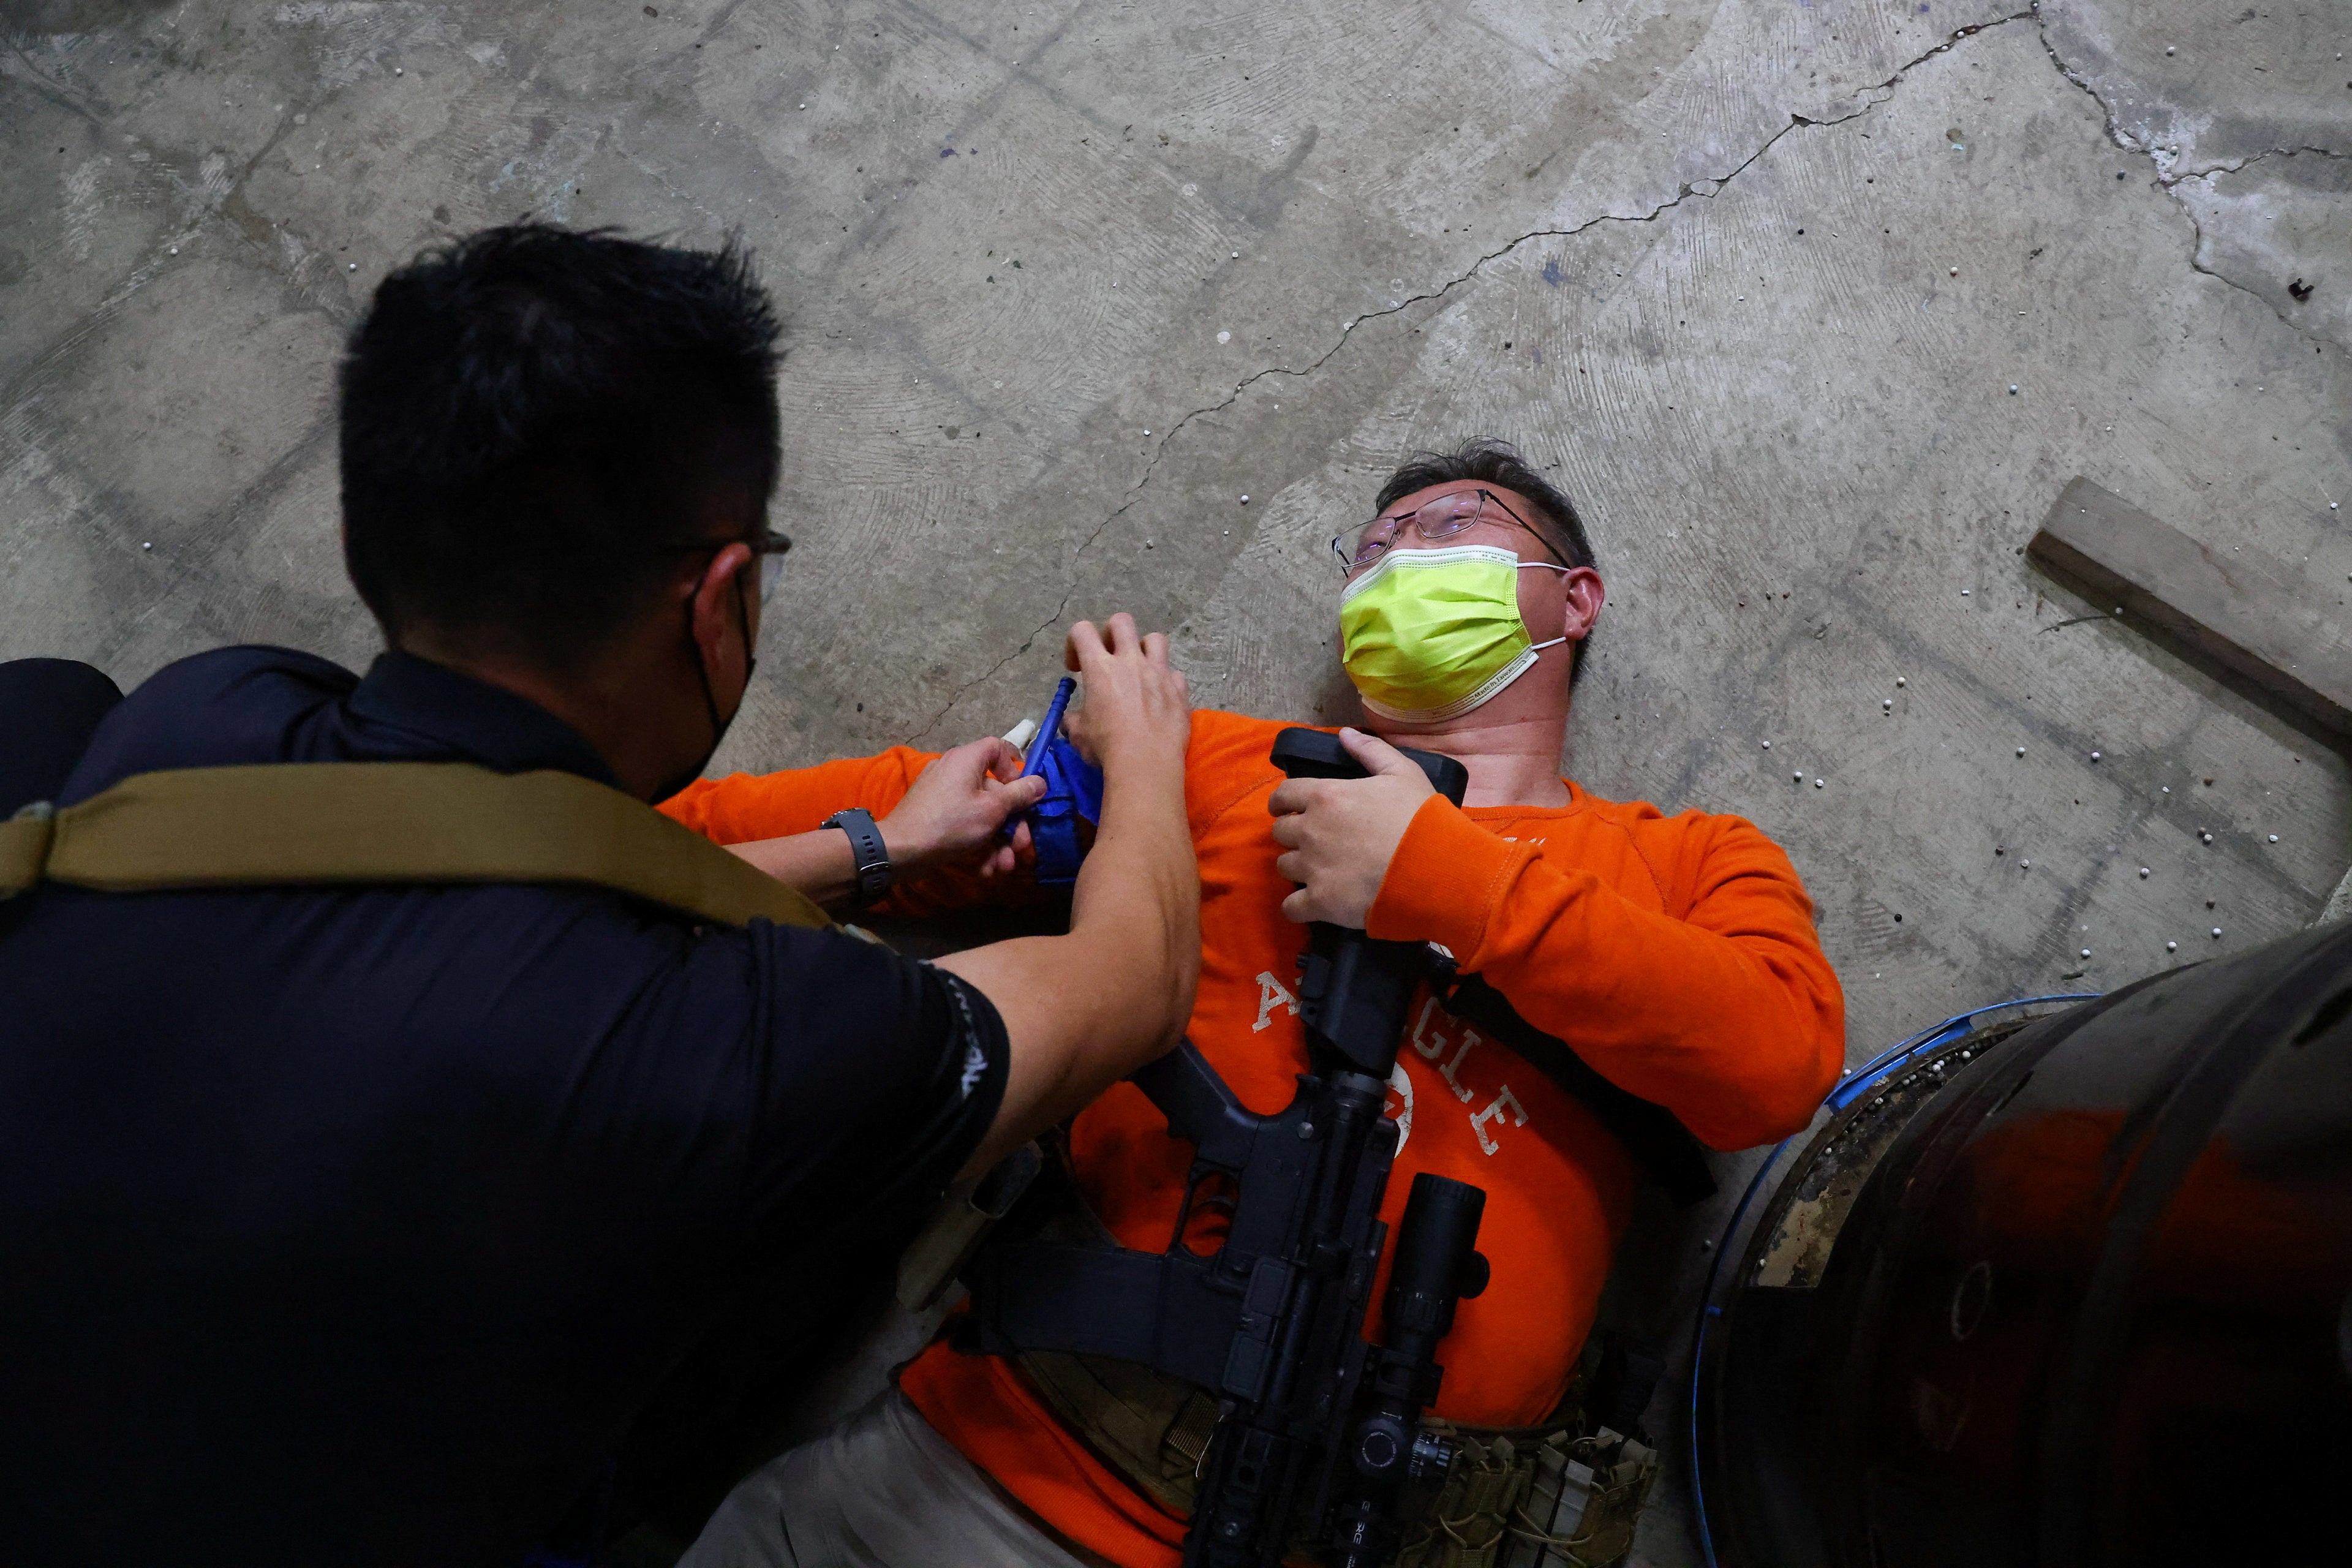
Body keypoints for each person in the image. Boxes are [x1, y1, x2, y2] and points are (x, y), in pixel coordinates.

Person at [0, 225, 1200, 1567]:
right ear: (720, 600)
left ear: (357, 541)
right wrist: (1147, 745)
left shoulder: (213, 710)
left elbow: (492, 888)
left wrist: (873, 845)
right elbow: (1137, 979)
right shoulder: (744, 1052)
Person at [662, 438, 1848, 1567]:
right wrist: (902, 840)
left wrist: (1444, 873)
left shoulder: (1692, 858)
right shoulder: (1209, 760)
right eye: (1374, 547)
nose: (1400, 560)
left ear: (1575, 598)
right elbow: (706, 843)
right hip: (992, 1484)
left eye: (1453, 527)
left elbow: (1775, 1067)